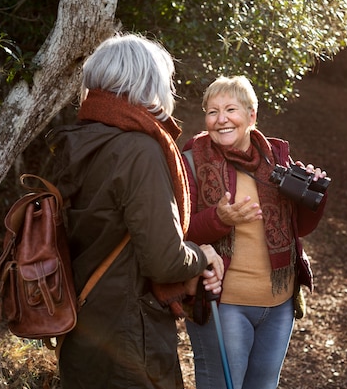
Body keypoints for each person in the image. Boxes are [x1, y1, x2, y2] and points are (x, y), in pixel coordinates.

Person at [47, 33, 224, 389]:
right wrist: (202, 254)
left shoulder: (74, 142)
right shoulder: (139, 149)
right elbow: (164, 259)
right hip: (130, 340)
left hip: (80, 329)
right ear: (146, 84)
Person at [182, 75, 329, 389]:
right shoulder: (191, 163)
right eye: (212, 111)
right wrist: (220, 218)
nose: (221, 119)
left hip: (279, 307)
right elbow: (179, 231)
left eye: (231, 109)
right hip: (224, 306)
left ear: (252, 116)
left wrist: (315, 194)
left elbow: (299, 228)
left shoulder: (276, 162)